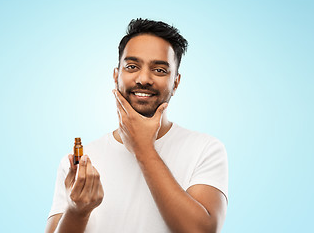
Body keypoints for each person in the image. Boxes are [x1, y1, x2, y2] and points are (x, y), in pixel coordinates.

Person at [45, 18, 228, 233]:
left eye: (159, 70)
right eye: (132, 67)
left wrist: (143, 148)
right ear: (116, 75)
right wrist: (77, 211)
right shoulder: (81, 161)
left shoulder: (205, 149)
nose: (144, 79)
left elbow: (202, 231)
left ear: (175, 82)